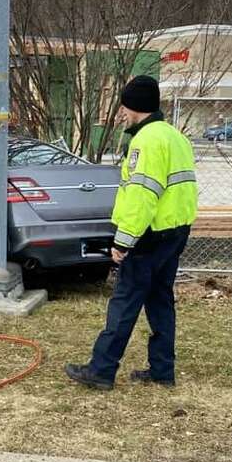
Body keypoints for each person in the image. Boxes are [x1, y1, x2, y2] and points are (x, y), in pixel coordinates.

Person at [65, 75, 198, 390]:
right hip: (175, 232)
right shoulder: (175, 137)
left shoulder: (145, 141)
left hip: (147, 237)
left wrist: (123, 242)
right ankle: (163, 371)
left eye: (124, 105)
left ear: (135, 106)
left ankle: (101, 370)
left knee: (124, 302)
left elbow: (142, 196)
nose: (121, 111)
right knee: (161, 301)